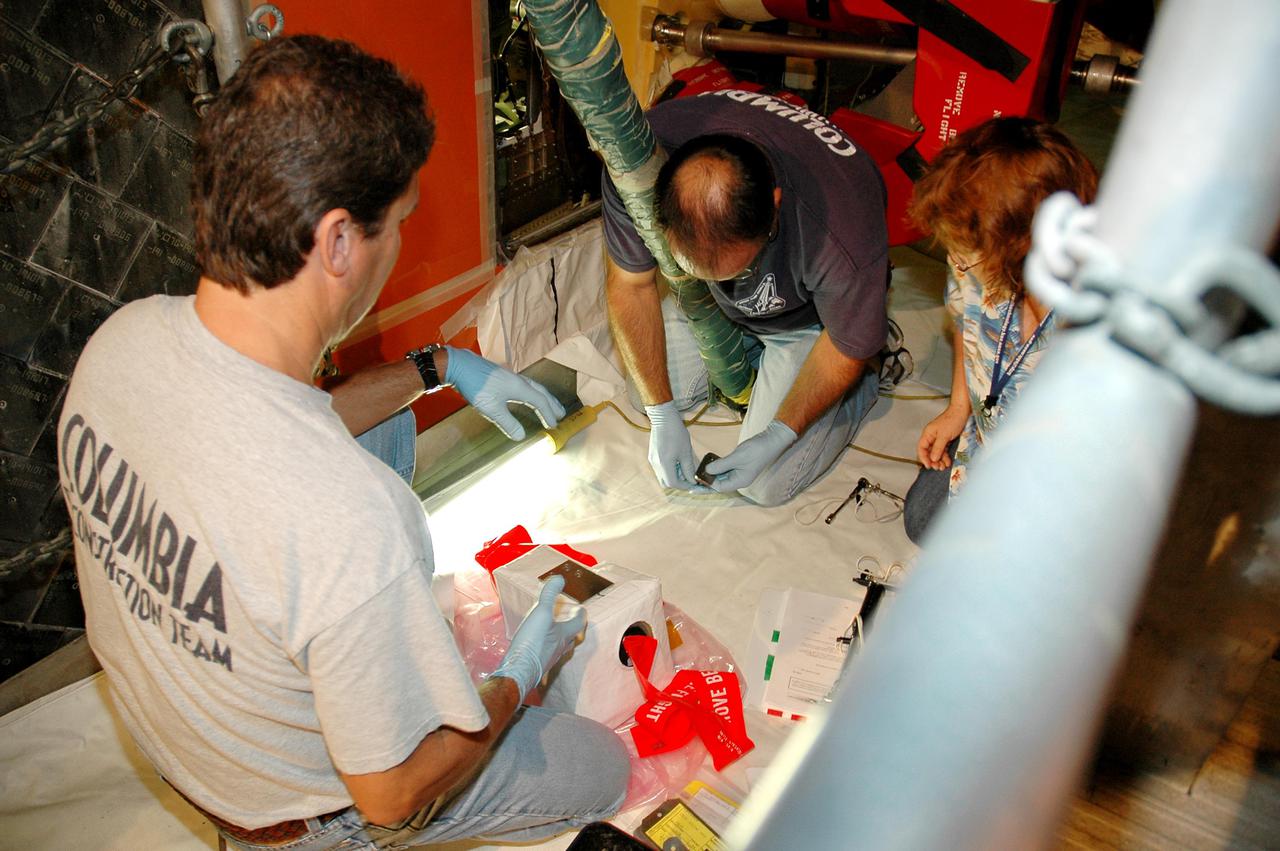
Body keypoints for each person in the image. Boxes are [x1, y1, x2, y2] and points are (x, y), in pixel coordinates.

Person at [56, 35, 629, 849]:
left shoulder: (121, 341)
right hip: (300, 815)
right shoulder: (349, 518)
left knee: (384, 422)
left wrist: (439, 366)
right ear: (336, 242)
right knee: (599, 767)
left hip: (184, 734)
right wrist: (516, 680)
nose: (398, 247)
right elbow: (392, 792)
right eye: (398, 224)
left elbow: (275, 431)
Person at [602, 90, 890, 506]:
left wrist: (779, 434)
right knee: (646, 395)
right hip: (703, 303)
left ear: (774, 208)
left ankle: (863, 381)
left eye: (736, 271)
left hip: (810, 321)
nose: (730, 283)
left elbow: (843, 352)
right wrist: (662, 413)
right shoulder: (639, 164)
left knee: (764, 484)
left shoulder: (842, 228)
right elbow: (631, 286)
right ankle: (747, 348)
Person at [902, 117, 1100, 544]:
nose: (957, 260)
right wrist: (959, 408)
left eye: (968, 251)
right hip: (986, 442)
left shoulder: (1095, 325)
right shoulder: (971, 250)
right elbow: (966, 322)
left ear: (1021, 245)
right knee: (922, 523)